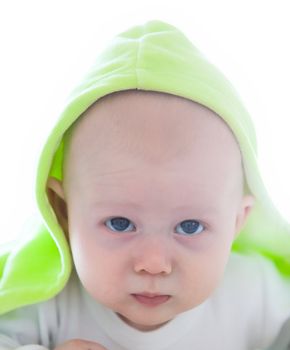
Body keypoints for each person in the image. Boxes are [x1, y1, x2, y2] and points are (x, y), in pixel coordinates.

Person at [0, 20, 289, 350]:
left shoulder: (255, 293)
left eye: (190, 226)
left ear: (237, 221)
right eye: (120, 224)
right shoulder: (47, 301)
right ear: (63, 212)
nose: (154, 263)